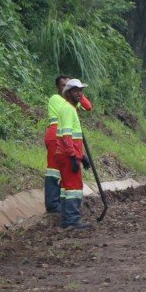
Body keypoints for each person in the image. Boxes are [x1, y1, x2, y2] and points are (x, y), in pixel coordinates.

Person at [44, 75, 92, 214]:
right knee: (54, 171)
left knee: (64, 171)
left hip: (64, 137)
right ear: (58, 88)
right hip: (56, 136)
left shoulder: (71, 102)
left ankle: (61, 205)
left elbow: (88, 107)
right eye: (64, 85)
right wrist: (71, 93)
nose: (66, 86)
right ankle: (52, 205)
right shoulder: (57, 99)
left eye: (68, 84)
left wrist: (77, 92)